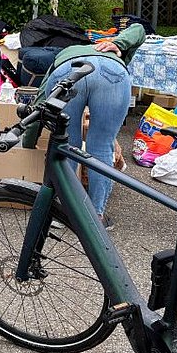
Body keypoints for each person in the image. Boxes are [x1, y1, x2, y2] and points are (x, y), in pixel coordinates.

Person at [37, 23, 146, 229]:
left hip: (68, 71)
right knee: (101, 146)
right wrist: (117, 43)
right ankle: (97, 216)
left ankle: (63, 212)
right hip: (112, 73)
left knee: (67, 144)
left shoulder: (64, 54)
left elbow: (41, 98)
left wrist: (28, 138)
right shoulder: (113, 49)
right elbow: (139, 29)